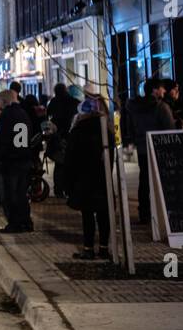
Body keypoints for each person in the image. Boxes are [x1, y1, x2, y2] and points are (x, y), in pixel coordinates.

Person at [66, 91, 113, 260]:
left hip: (84, 178)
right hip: (102, 177)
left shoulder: (79, 130)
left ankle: (88, 248)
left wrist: (69, 182)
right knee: (103, 214)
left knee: (87, 215)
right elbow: (111, 156)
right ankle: (104, 247)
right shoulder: (106, 130)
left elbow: (70, 158)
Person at [125, 78, 174, 223]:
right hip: (160, 149)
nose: (164, 91)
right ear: (154, 90)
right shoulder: (161, 107)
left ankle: (145, 212)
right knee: (161, 181)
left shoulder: (134, 107)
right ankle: (160, 213)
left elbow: (130, 128)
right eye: (161, 88)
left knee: (144, 180)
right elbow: (170, 129)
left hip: (142, 148)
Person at [0, 89, 34, 232]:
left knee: (10, 194)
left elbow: (1, 139)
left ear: (4, 101)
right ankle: (26, 221)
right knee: (22, 193)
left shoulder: (6, 116)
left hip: (10, 161)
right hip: (24, 158)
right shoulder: (23, 114)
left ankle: (14, 223)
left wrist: (0, 158)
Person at [46, 83, 79, 199]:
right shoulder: (74, 102)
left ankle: (58, 190)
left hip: (57, 139)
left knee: (59, 165)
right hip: (70, 138)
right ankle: (69, 189)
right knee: (71, 165)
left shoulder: (52, 104)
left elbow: (47, 122)